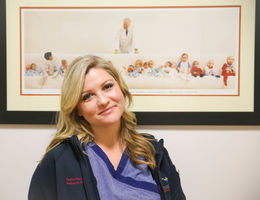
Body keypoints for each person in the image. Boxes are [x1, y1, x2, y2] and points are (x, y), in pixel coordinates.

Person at [28, 55, 186, 200]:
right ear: (77, 109)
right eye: (87, 96)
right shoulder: (57, 161)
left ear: (121, 89)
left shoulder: (154, 152)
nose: (103, 101)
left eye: (107, 86)